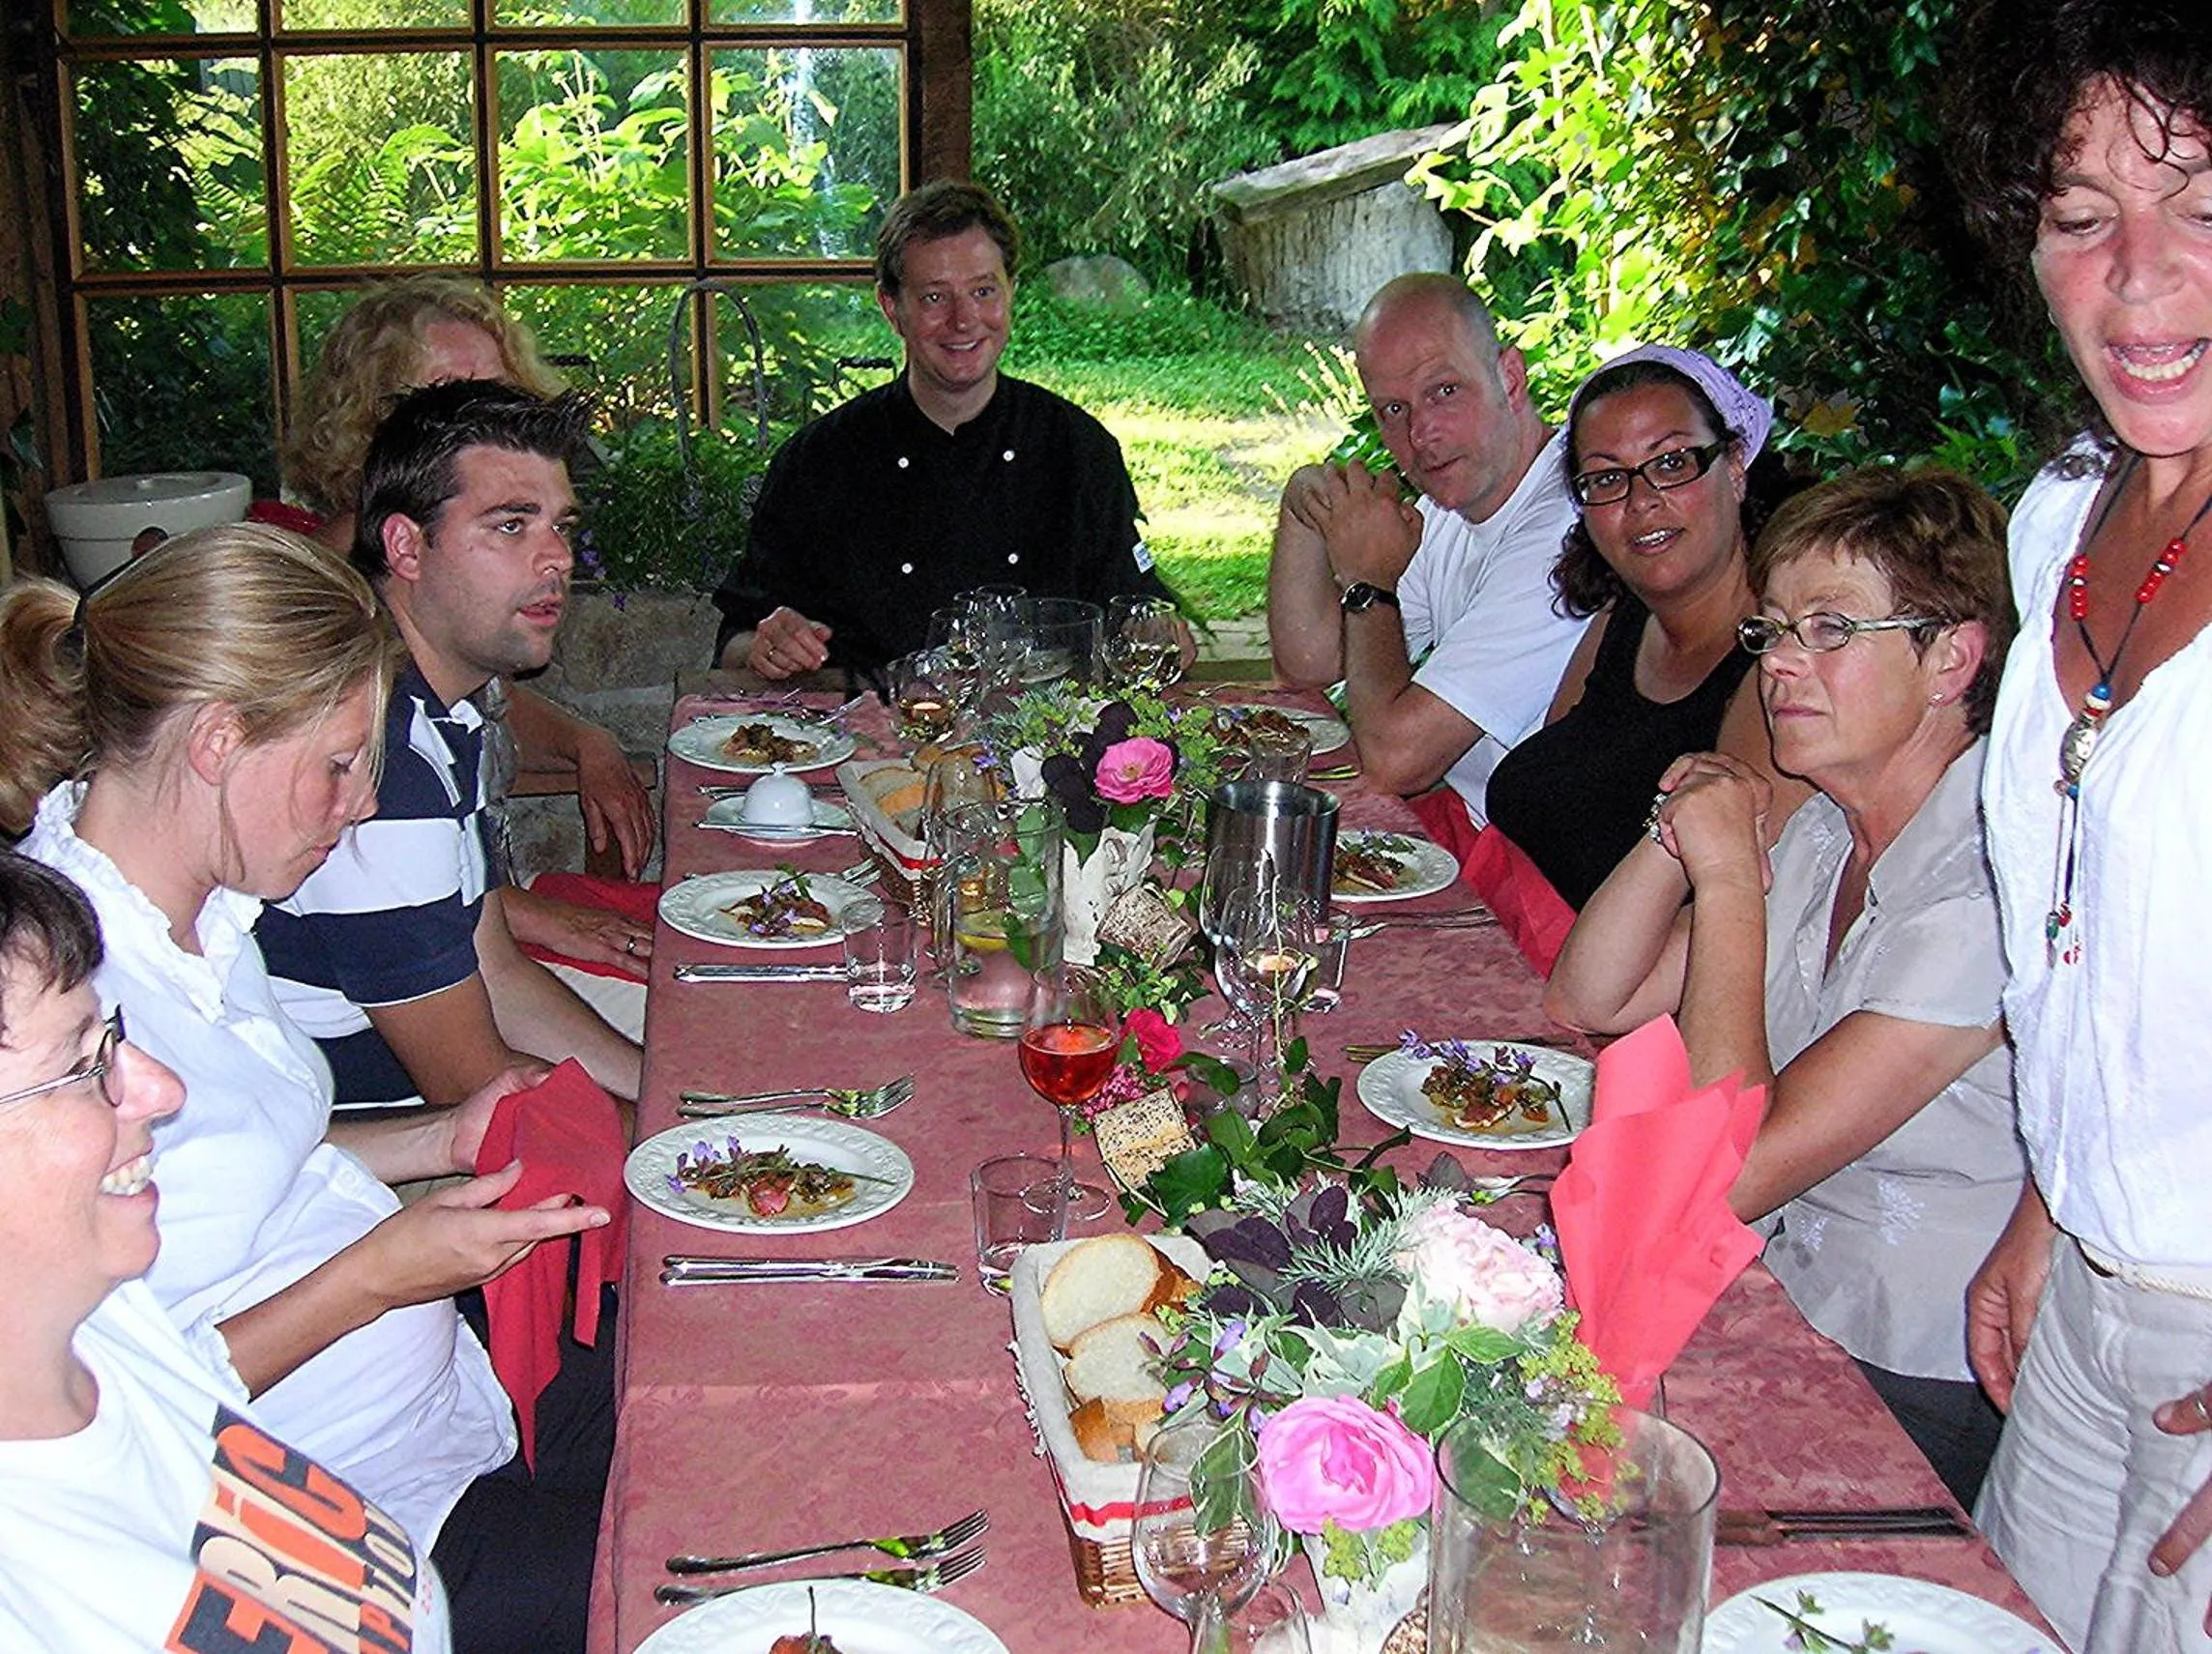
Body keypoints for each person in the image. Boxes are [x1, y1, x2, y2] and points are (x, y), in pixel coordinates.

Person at [0, 524, 611, 1653]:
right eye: (337, 766)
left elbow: (244, 1154)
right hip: (337, 1527)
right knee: (688, 1570)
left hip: (439, 1422)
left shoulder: (208, 919)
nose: (362, 804)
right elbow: (119, 1403)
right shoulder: (57, 1001)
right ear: (218, 741)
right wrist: (376, 1276)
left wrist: (436, 1139)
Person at [1546, 468, 2025, 1507]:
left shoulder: (1984, 888)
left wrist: (1726, 877)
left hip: (1915, 1379)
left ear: (1949, 657)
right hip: (1766, 1291)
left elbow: (1732, 1168)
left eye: (1829, 630)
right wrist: (1685, 832)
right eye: (1770, 633)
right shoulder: (1824, 824)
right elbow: (1586, 998)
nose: (1779, 668)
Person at [1948, 3, 2212, 1645]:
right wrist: (2046, 1201)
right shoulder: (2057, 521)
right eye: (2078, 215)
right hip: (2079, 1307)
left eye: (2203, 205)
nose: (2137, 277)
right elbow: (2091, 939)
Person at [0, 850, 455, 1652]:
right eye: (79, 1067)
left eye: (110, 1038)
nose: (162, 1091)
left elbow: (202, 1377)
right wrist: (375, 1279)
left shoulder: (103, 1324)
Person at [257, 380, 645, 1111]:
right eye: (510, 526)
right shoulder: (375, 758)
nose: (557, 558)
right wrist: (688, 1145)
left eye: (561, 525)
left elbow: (496, 971)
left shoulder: (444, 713)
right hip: (373, 1161)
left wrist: (671, 1094)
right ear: (405, 544)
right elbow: (468, 1086)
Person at [283, 274, 657, 990]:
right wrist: (541, 917)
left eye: (497, 389)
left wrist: (587, 740)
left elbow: (470, 695)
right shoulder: (338, 576)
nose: (481, 413)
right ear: (369, 414)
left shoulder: (464, 581)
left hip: (477, 923)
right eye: (446, 393)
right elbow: (364, 856)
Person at [713, 180, 1184, 679]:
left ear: (1011, 295)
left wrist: (1158, 634)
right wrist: (768, 645)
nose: (964, 321)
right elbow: (736, 641)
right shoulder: (818, 461)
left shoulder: (1078, 449)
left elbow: (1138, 611)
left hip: (1043, 743)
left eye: (983, 291)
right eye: (935, 297)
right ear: (892, 308)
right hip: (868, 744)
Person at [1481, 345, 1806, 910]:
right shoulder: (1622, 619)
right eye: (1607, 478)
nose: (1641, 501)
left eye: (1672, 463)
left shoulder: (1777, 670)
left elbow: (1735, 914)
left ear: (1734, 469)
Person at [1266, 274, 1588, 832]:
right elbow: (1308, 663)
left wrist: (1369, 582)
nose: (1421, 433)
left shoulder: (1564, 527)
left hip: (1540, 872)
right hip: (1464, 826)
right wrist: (1303, 508)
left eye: (1445, 391)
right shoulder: (1450, 508)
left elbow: (1397, 759)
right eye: (1392, 410)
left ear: (1510, 378)